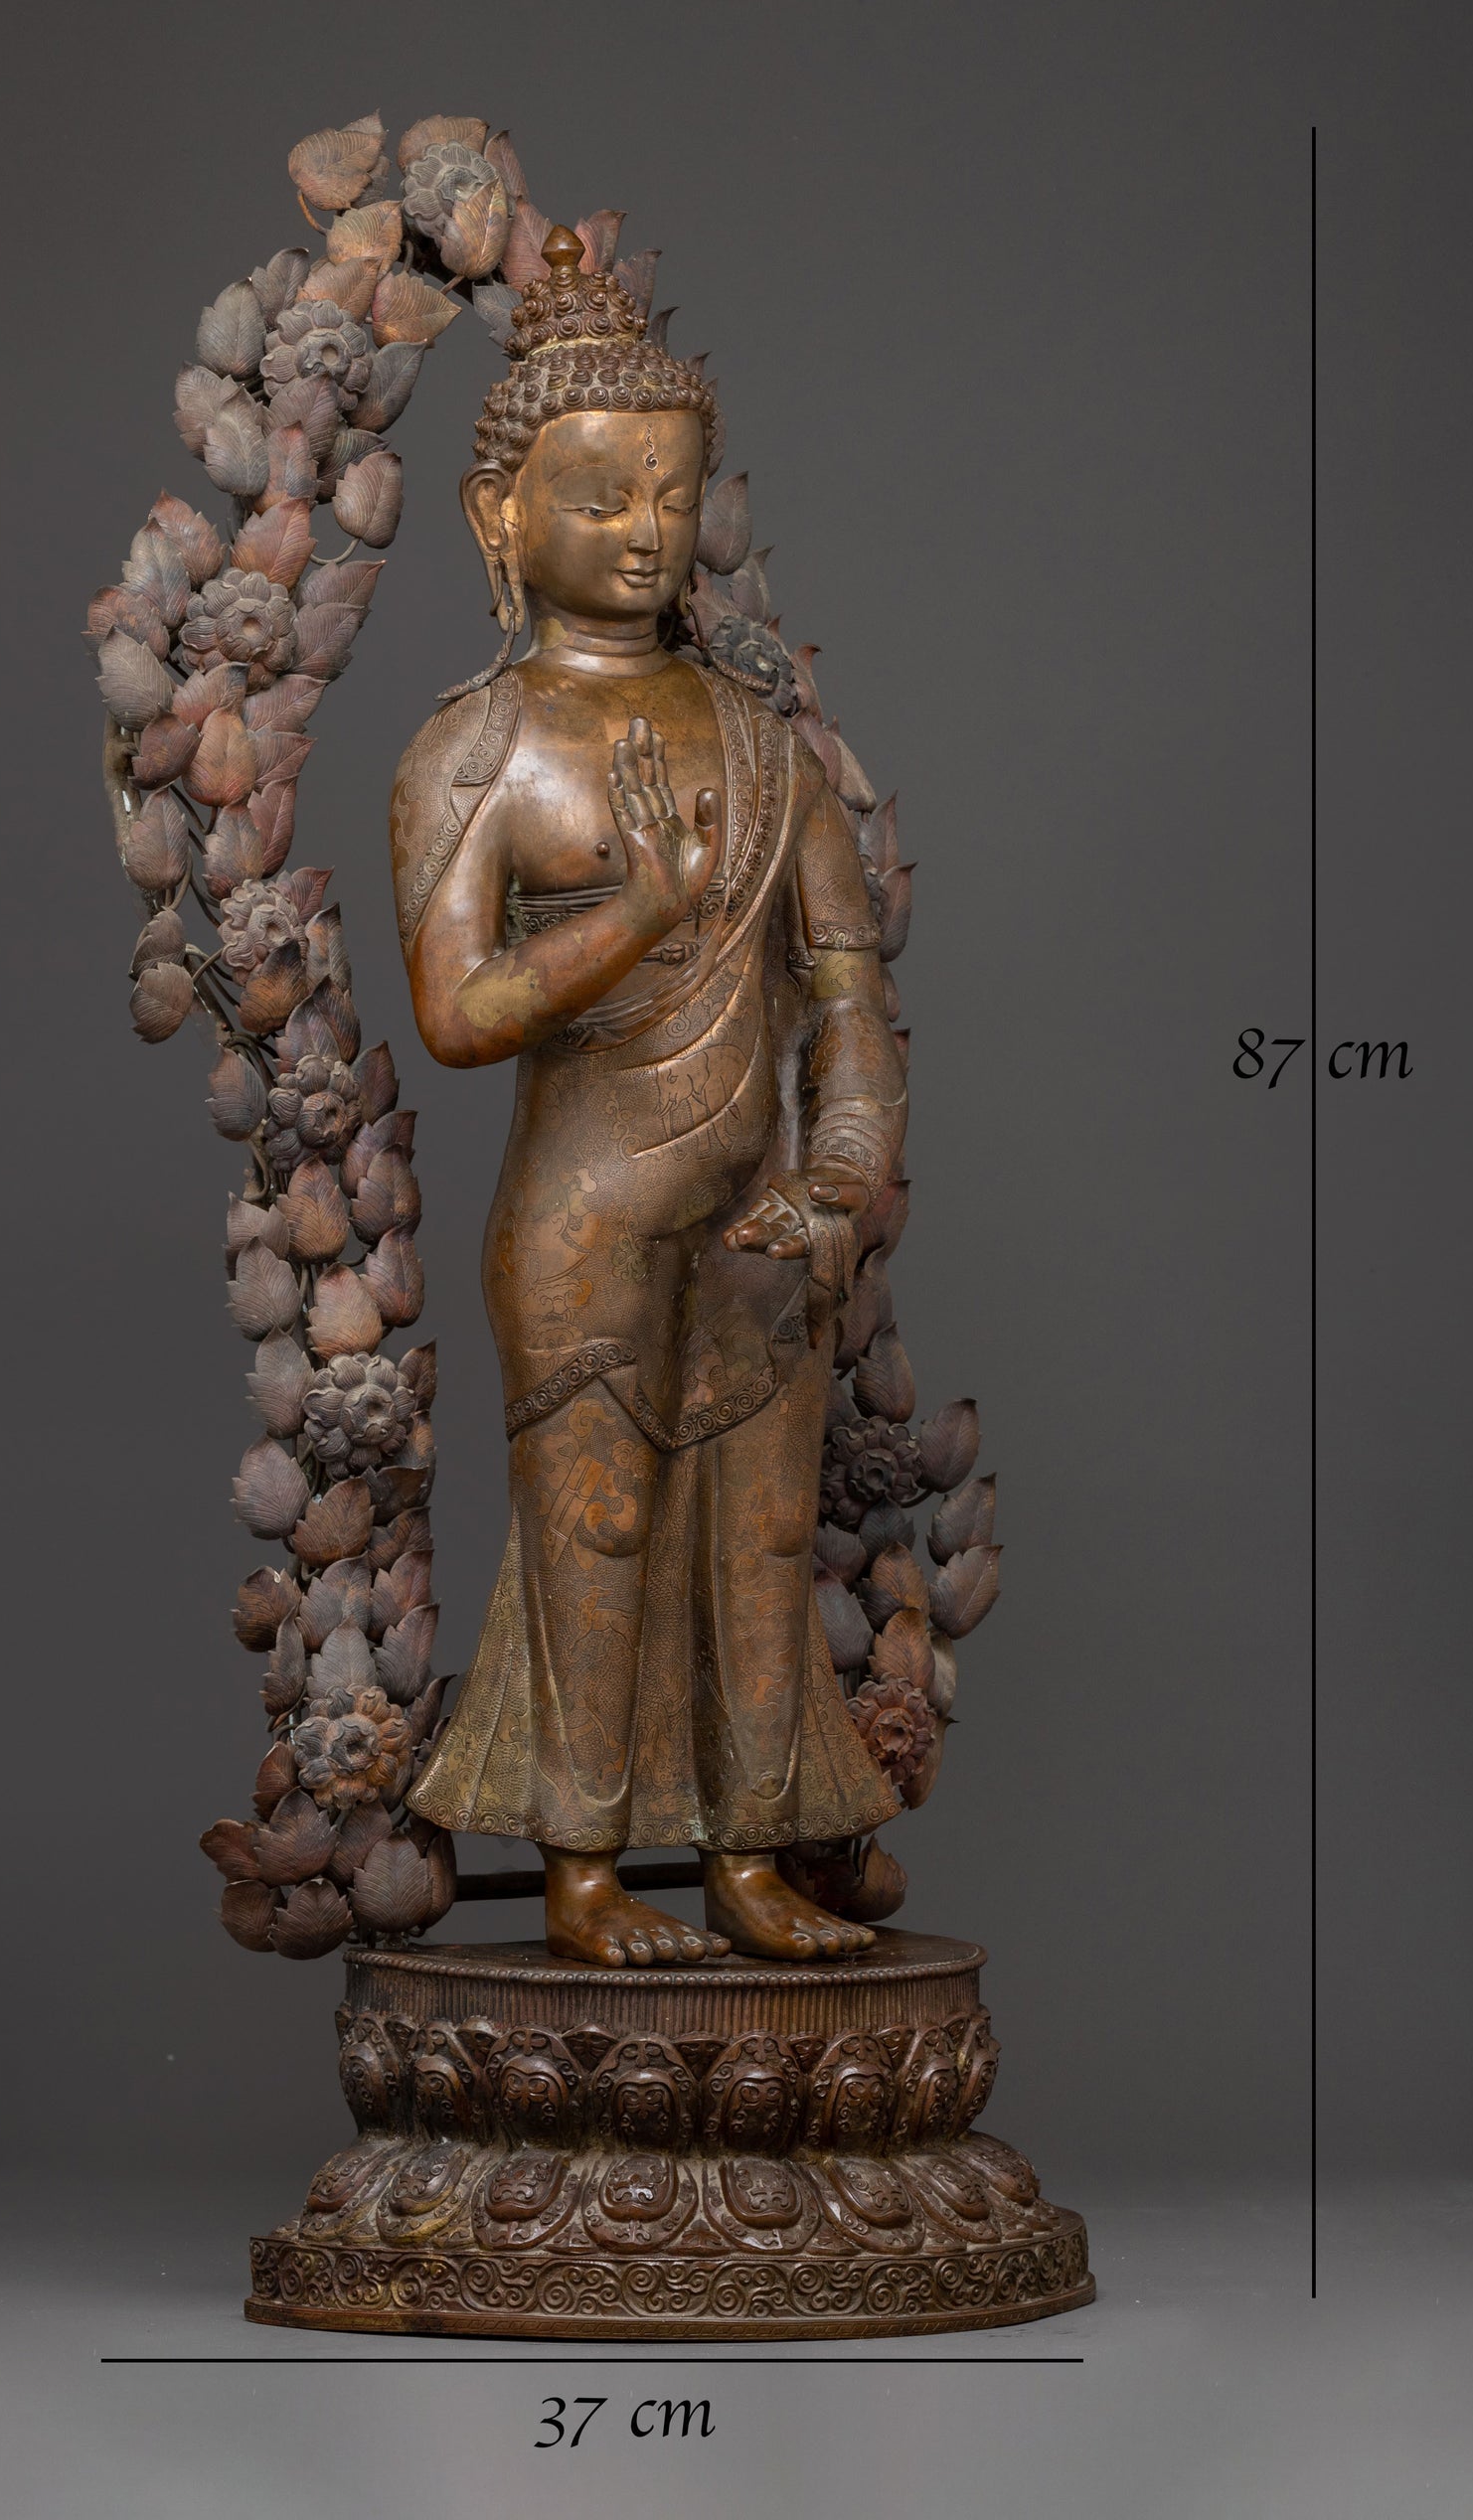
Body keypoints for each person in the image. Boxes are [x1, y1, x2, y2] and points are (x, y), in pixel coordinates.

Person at [393, 231, 905, 1967]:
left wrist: (841, 1173)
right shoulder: (477, 752)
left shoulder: (763, 743)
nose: (643, 531)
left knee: (762, 1544)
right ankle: (587, 1872)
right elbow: (456, 1016)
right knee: (596, 1535)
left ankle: (751, 1858)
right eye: (600, 494)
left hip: (762, 1219)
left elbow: (848, 991)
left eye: (672, 497)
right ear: (500, 517)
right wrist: (635, 915)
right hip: (584, 1218)